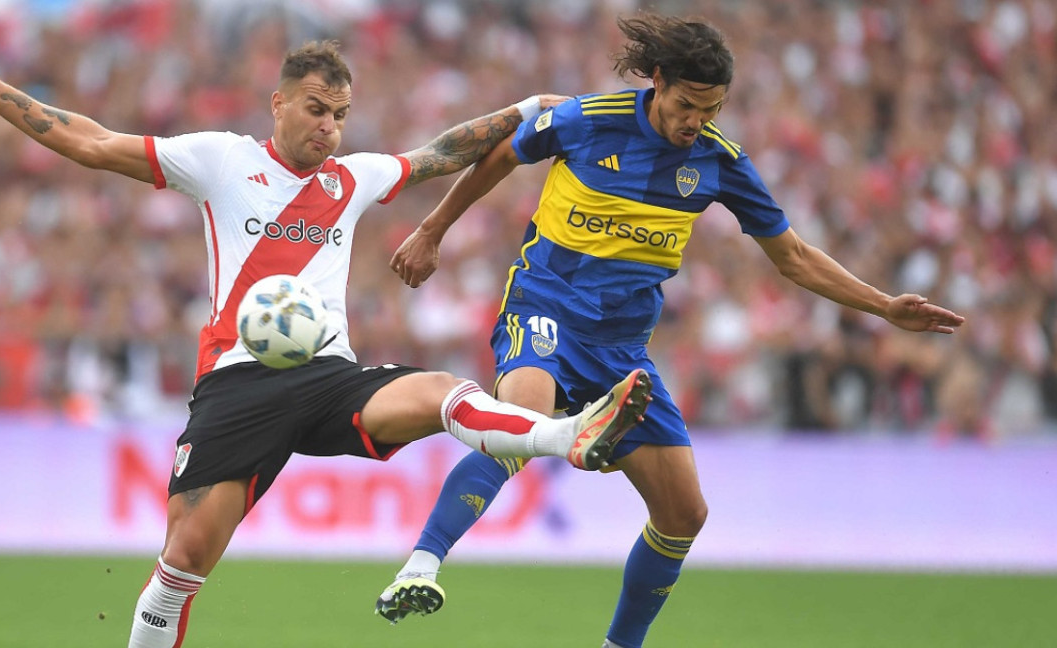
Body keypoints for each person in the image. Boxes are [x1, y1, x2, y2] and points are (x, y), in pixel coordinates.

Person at [0, 38, 655, 648]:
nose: (330, 128)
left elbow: (442, 150)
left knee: (439, 392)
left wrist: (530, 111)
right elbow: (91, 143)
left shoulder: (354, 177)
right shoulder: (219, 161)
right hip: (237, 382)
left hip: (326, 378)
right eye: (316, 110)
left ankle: (565, 435)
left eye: (340, 115)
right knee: (183, 560)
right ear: (278, 104)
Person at [377, 12, 966, 648]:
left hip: (621, 349)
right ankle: (422, 567)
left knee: (685, 513)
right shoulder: (587, 118)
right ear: (657, 82)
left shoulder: (719, 162)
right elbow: (499, 155)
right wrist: (432, 230)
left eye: (710, 109)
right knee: (521, 422)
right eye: (686, 105)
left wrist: (883, 307)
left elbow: (791, 257)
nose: (696, 122)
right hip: (545, 306)